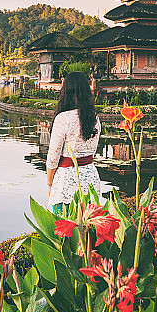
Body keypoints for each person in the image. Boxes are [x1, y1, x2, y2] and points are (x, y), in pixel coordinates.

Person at [46, 72, 102, 215]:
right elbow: (93, 151)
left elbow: (52, 158)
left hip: (66, 181)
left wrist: (50, 184)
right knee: (89, 225)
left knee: (65, 225)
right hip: (90, 178)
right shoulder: (94, 118)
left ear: (65, 92)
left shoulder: (63, 118)